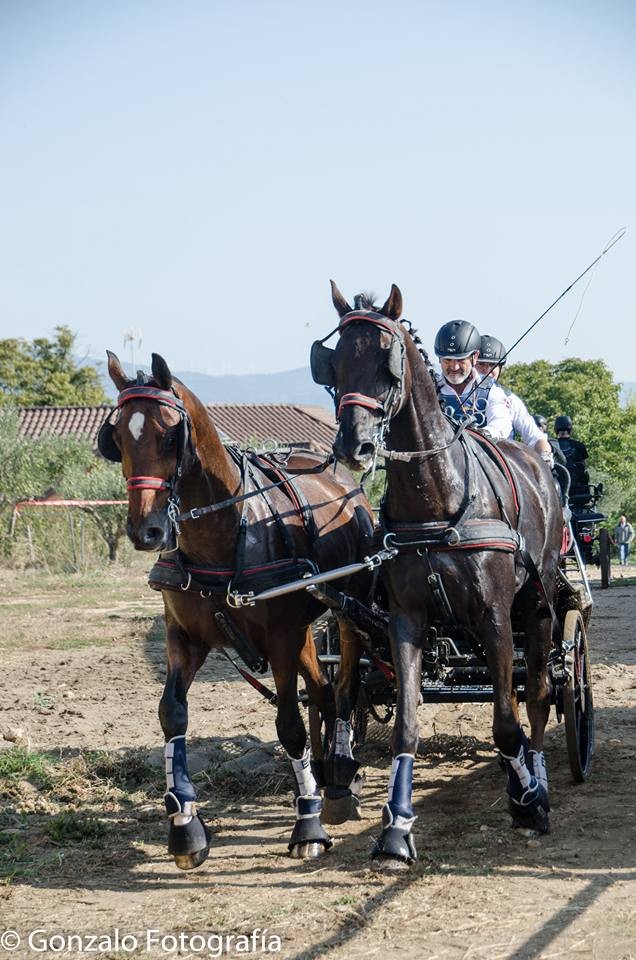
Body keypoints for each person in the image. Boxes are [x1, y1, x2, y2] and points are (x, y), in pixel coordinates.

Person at [472, 334, 553, 460]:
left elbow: (535, 436)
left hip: (500, 464)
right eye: (481, 364)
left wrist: (545, 456)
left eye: (493, 365)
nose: (487, 370)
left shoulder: (510, 399)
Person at [554, 416, 589, 492]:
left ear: (556, 429)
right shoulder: (580, 446)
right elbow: (584, 466)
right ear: (570, 429)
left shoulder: (551, 445)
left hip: (558, 489)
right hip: (578, 490)